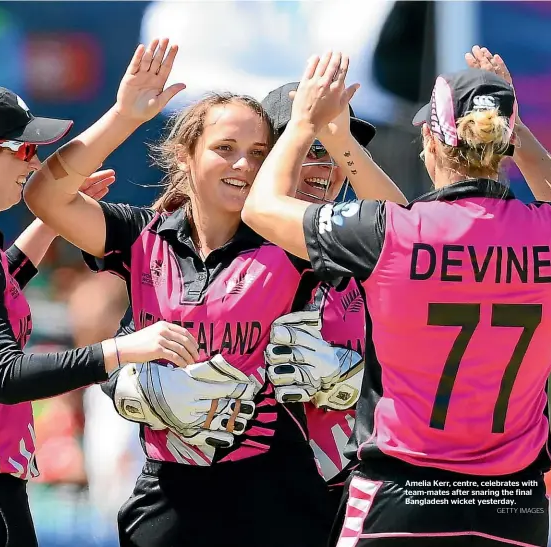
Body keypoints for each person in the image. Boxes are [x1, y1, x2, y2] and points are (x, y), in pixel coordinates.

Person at [25, 38, 383, 547]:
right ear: (186, 156)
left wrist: (354, 373)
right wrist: (124, 116)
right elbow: (43, 195)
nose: (241, 165)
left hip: (280, 506)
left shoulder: (295, 240)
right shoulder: (141, 235)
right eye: (224, 149)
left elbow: (404, 232)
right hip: (167, 504)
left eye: (257, 154)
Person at [242, 47, 551, 547]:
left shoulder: (396, 234)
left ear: (431, 140)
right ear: (503, 142)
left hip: (402, 494)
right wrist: (518, 133)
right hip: (513, 505)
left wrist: (305, 122)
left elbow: (261, 209)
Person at [0, 83, 207, 547]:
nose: (34, 164)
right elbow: (5, 375)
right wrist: (124, 348)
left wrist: (50, 223)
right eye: (25, 148)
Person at [260, 82, 405, 516]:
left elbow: (407, 227)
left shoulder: (367, 249)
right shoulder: (222, 239)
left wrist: (356, 380)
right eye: (312, 147)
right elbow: (141, 339)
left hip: (353, 498)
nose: (329, 167)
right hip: (247, 499)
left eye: (339, 150)